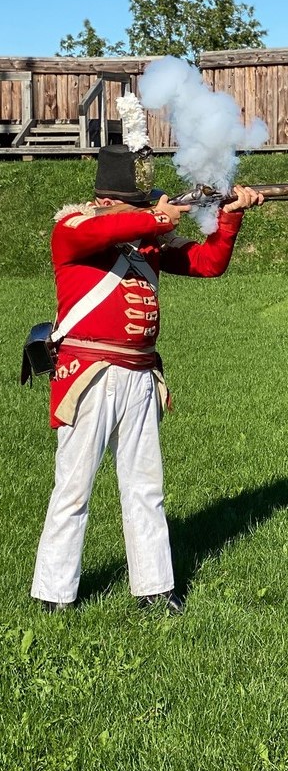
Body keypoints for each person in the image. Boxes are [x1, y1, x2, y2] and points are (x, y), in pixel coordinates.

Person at [31, 143, 263, 614]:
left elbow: (207, 263)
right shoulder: (73, 226)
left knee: (145, 487)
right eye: (138, 201)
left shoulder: (146, 237)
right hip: (89, 374)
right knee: (73, 487)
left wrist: (232, 215)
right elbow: (115, 227)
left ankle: (155, 588)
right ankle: (54, 594)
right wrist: (158, 216)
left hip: (141, 372)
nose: (148, 208)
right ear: (106, 199)